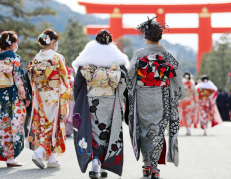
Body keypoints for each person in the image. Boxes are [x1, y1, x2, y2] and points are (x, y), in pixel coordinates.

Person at [127, 17, 185, 179]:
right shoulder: (167, 55)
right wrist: (178, 93)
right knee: (158, 131)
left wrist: (128, 91)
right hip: (162, 96)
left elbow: (130, 74)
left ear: (146, 37)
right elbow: (177, 75)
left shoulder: (139, 54)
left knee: (143, 130)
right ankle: (154, 167)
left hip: (142, 95)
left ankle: (146, 165)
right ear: (160, 37)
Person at [72, 29, 129, 179]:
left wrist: (78, 99)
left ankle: (96, 161)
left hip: (92, 99)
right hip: (110, 99)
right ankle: (104, 165)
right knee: (108, 131)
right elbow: (123, 81)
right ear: (110, 41)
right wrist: (121, 96)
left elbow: (78, 82)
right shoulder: (117, 58)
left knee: (94, 131)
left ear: (96, 40)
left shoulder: (88, 57)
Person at [26, 29, 71, 169]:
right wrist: (66, 95)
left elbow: (31, 78)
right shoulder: (57, 57)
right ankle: (39, 152)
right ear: (52, 41)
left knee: (44, 124)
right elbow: (64, 78)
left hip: (40, 94)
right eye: (56, 41)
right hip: (53, 94)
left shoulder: (36, 58)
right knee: (52, 124)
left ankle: (51, 158)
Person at [0, 31, 30, 167]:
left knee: (1, 126)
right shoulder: (15, 59)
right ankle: (10, 158)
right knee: (13, 125)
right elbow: (19, 80)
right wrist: (26, 97)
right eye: (16, 43)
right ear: (12, 44)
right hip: (11, 97)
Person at [65, 67, 75, 137]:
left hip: (65, 96)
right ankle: (68, 131)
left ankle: (65, 131)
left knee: (66, 112)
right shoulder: (72, 78)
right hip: (72, 97)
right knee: (71, 112)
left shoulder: (65, 77)